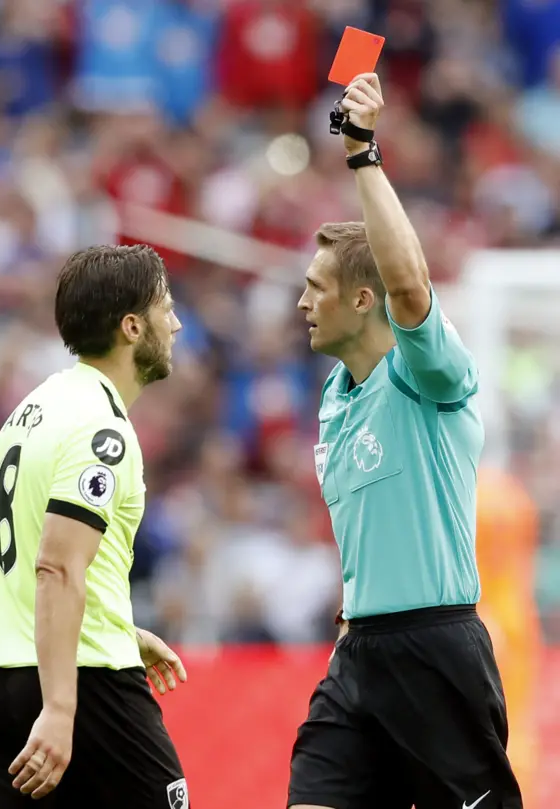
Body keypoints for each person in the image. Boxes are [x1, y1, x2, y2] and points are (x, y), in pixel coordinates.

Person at [288, 74, 522, 809]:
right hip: (357, 654)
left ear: (364, 299)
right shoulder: (333, 399)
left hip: (436, 653)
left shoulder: (428, 371)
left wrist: (362, 155)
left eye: (315, 287)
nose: (300, 301)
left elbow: (410, 286)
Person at [0, 244, 190, 809]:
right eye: (166, 308)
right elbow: (56, 564)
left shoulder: (29, 413)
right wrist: (61, 706)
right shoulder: (102, 428)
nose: (178, 323)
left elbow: (20, 559)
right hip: (81, 684)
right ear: (132, 327)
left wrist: (120, 628)